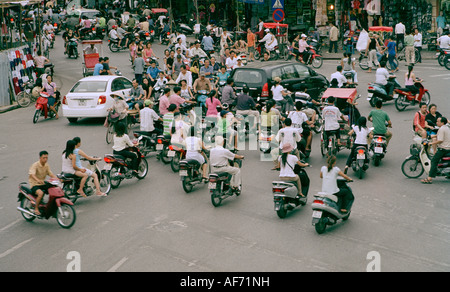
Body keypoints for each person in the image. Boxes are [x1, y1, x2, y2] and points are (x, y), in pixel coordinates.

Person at [28, 150, 58, 215]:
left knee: (54, 188)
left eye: (46, 158)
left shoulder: (46, 165)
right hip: (34, 184)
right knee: (40, 193)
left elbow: (50, 174)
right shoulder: (35, 165)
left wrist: (57, 179)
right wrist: (37, 180)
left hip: (42, 183)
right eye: (44, 158)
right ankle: (36, 208)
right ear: (40, 158)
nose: (45, 159)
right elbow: (32, 174)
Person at [421, 117, 450, 184]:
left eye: (438, 121)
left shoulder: (442, 129)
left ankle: (429, 178)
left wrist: (431, 143)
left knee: (434, 161)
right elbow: (439, 136)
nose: (436, 122)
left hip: (443, 149)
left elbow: (440, 140)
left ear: (442, 123)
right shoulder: (446, 127)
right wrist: (432, 136)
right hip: (447, 148)